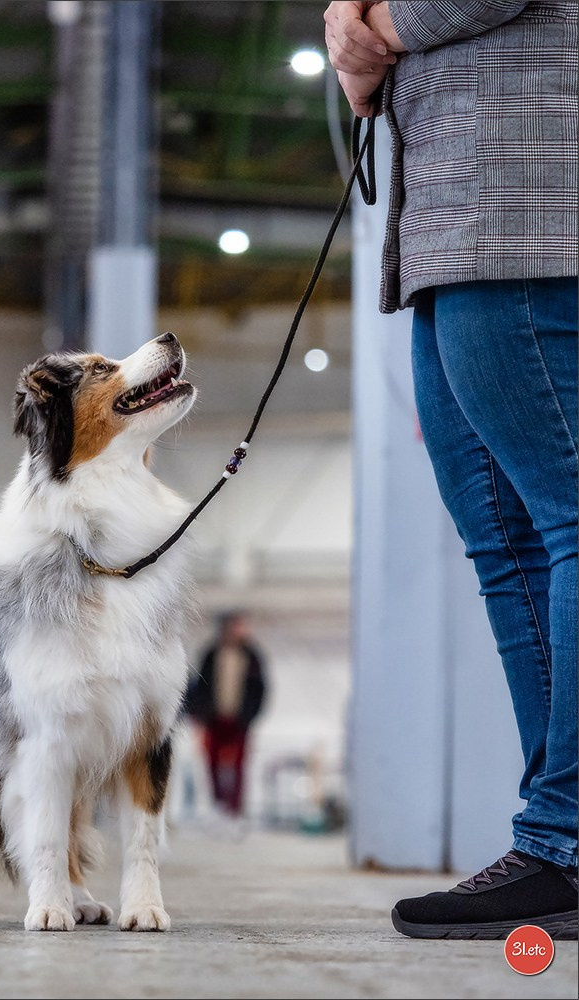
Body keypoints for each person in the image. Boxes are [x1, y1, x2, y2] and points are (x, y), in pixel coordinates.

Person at [325, 0, 578, 940]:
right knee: (505, 545)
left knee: (566, 519)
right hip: (449, 232)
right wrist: (352, 48)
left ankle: (564, 842)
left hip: (525, 209)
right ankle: (557, 848)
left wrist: (377, 23)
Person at [186, 613, 268, 818]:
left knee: (239, 765)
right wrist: (201, 714)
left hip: (239, 721)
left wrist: (250, 715)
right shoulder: (212, 654)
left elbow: (260, 689)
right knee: (212, 763)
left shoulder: (252, 657)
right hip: (214, 719)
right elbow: (200, 687)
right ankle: (218, 805)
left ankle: (235, 808)